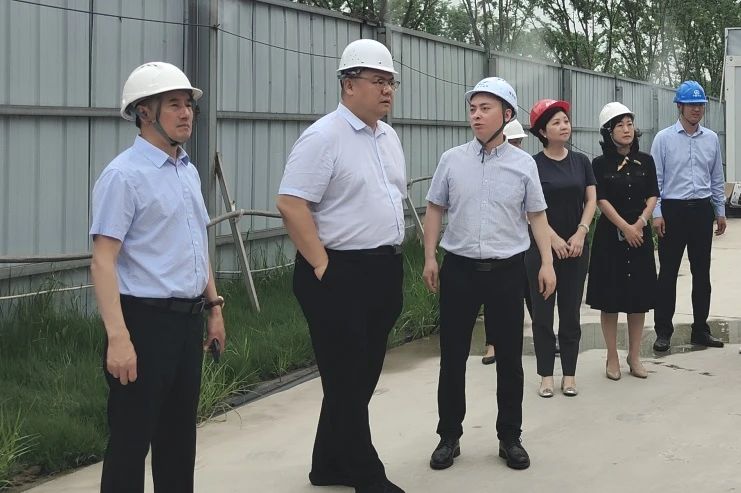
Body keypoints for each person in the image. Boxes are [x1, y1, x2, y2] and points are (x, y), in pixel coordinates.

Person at [276, 39, 406, 493]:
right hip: (337, 272)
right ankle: (367, 475)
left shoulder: (387, 137)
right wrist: (323, 266)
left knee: (360, 377)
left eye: (391, 82)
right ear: (349, 85)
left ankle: (327, 464)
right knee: (347, 379)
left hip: (382, 271)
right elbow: (291, 203)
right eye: (378, 80)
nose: (387, 90)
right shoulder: (324, 136)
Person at [90, 62, 226, 493]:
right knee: (130, 442)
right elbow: (103, 261)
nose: (186, 113)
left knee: (179, 439)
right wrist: (118, 338)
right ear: (144, 112)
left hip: (186, 323)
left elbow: (195, 243)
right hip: (143, 324)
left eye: (188, 105)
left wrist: (213, 307)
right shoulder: (123, 176)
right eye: (174, 104)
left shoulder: (187, 170)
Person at [423, 77, 556, 471]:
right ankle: (449, 436)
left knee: (510, 359)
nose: (476, 116)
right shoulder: (452, 160)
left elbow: (537, 216)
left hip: (506, 272)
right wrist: (430, 257)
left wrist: (547, 262)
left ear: (507, 114)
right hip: (459, 270)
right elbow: (435, 208)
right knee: (452, 357)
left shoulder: (524, 164)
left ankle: (509, 437)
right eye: (472, 109)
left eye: (485, 108)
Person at [525, 99, 597, 398]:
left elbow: (591, 200)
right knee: (542, 315)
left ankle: (569, 375)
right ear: (543, 131)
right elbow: (527, 208)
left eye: (565, 120)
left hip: (576, 249)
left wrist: (581, 232)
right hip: (542, 250)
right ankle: (545, 375)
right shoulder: (531, 164)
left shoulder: (581, 162)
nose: (564, 126)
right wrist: (552, 238)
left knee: (570, 314)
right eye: (556, 122)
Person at [651, 81, 727, 352]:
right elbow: (655, 180)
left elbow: (717, 177)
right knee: (668, 273)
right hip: (673, 211)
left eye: (700, 105)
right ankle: (663, 331)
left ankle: (700, 330)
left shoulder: (711, 139)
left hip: (701, 211)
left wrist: (720, 211)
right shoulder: (663, 139)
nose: (697, 109)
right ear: (680, 107)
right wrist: (657, 213)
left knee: (702, 273)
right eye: (691, 104)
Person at [586, 102, 659, 380]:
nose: (627, 129)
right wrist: (624, 227)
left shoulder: (646, 160)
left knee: (638, 299)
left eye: (629, 124)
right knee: (610, 299)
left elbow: (653, 194)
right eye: (620, 125)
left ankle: (635, 356)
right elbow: (601, 199)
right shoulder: (599, 164)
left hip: (639, 235)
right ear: (608, 131)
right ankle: (612, 356)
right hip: (611, 237)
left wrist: (639, 224)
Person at [481, 119, 532, 366]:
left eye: (520, 142)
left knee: (531, 290)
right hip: (498, 244)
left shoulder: (525, 165)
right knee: (492, 297)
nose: (517, 146)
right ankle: (492, 343)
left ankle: (544, 334)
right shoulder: (487, 168)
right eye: (513, 142)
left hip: (524, 240)